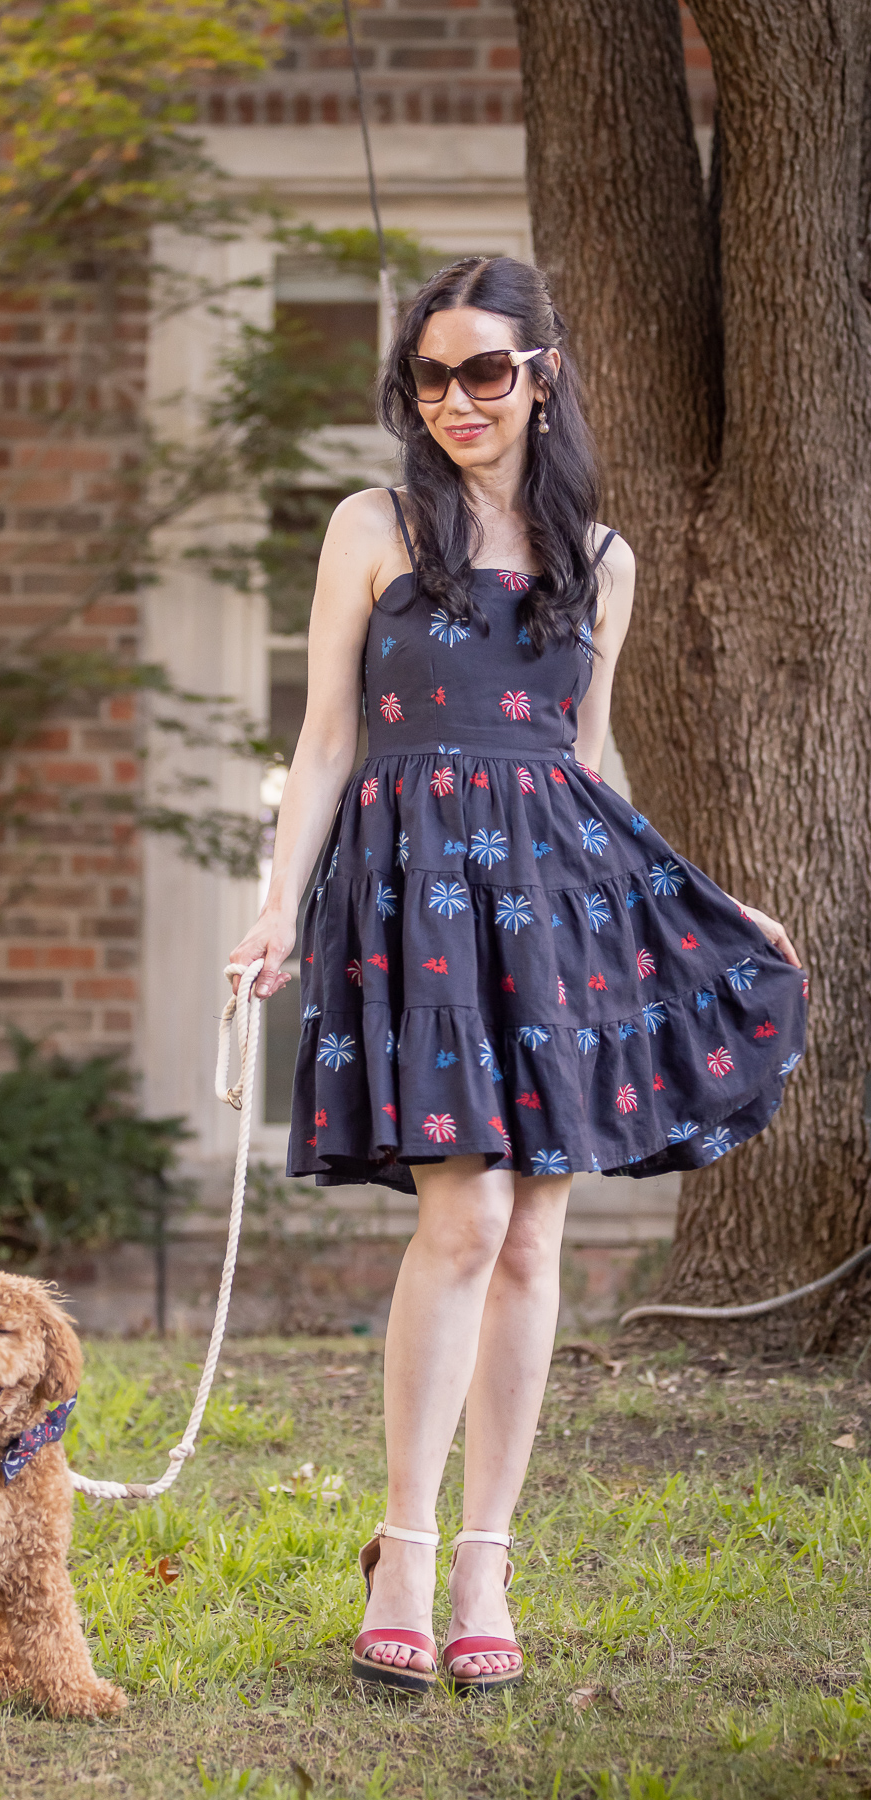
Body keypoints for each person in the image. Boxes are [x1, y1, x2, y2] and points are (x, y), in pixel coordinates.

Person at [228, 255, 807, 1697]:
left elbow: (584, 761)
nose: (455, 402)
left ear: (541, 373)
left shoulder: (598, 558)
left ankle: (486, 1554)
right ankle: (405, 1543)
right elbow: (321, 749)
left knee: (537, 1236)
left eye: (483, 371)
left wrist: (696, 895)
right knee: (465, 1217)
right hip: (415, 891)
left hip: (552, 897)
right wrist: (271, 912)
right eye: (429, 378)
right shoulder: (371, 526)